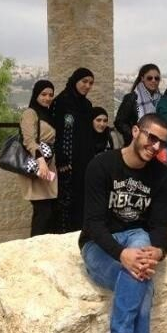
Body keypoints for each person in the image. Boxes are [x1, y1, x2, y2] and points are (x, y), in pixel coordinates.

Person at [79, 113, 167, 333]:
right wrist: (122, 255)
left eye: (161, 143)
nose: (155, 146)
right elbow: (93, 224)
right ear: (135, 131)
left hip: (136, 239)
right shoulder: (102, 165)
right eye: (151, 137)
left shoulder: (163, 176)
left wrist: (158, 251)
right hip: (98, 245)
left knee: (141, 250)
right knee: (141, 286)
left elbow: (160, 227)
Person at [51, 67, 96, 233]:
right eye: (84, 81)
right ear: (75, 81)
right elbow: (56, 132)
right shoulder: (60, 102)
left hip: (84, 160)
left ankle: (79, 234)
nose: (87, 86)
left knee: (82, 199)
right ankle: (63, 235)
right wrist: (61, 158)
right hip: (67, 162)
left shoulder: (87, 105)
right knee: (66, 200)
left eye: (90, 83)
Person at [20, 80, 57, 236]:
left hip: (48, 165)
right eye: (43, 94)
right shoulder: (30, 113)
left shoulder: (47, 113)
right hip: (38, 165)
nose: (47, 98)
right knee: (43, 211)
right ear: (36, 94)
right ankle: (34, 245)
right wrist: (41, 162)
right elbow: (29, 140)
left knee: (47, 211)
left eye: (50, 95)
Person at [115, 64, 162, 146]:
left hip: (157, 145)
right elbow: (120, 122)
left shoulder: (161, 99)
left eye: (156, 78)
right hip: (135, 145)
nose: (153, 81)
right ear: (142, 78)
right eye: (149, 78)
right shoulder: (131, 98)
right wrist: (134, 136)